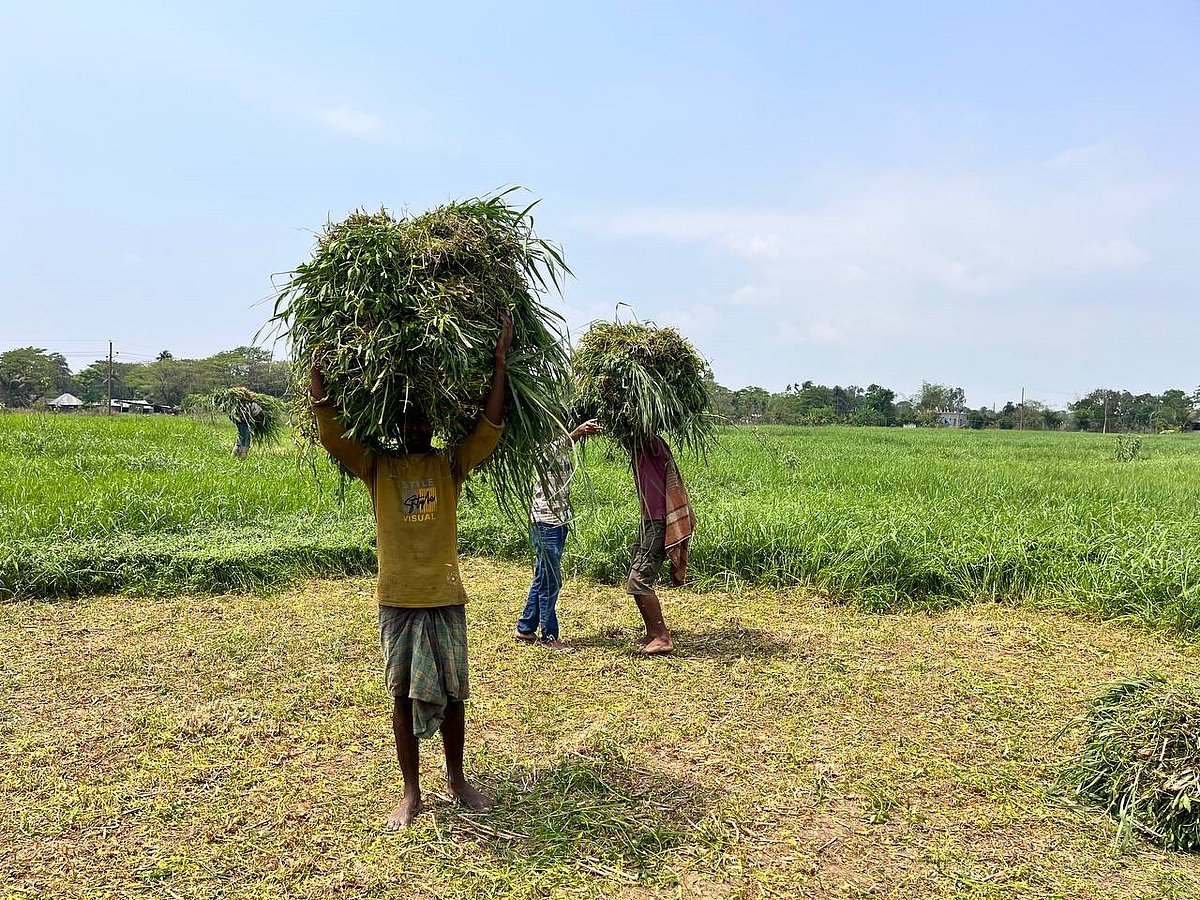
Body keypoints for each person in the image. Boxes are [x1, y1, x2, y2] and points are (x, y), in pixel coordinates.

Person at [309, 318, 512, 830]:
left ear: (434, 426)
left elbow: (489, 430)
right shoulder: (378, 467)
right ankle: (411, 790)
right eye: (409, 421)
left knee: (453, 693)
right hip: (397, 597)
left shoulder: (449, 465)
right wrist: (318, 370)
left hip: (444, 594)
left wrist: (500, 362)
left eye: (424, 421)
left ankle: (457, 779)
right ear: (397, 427)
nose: (417, 427)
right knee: (400, 693)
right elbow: (331, 433)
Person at [514, 418, 601, 652]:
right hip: (545, 522)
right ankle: (549, 637)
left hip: (560, 522)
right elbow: (554, 447)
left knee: (543, 577)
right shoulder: (539, 449)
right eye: (552, 424)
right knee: (551, 580)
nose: (557, 427)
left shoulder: (561, 447)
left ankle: (525, 628)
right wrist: (576, 433)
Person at [626, 434, 697, 655]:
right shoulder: (639, 445)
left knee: (638, 580)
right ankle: (652, 634)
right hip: (649, 520)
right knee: (637, 578)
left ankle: (662, 637)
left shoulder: (651, 443)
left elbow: (639, 425)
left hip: (657, 521)